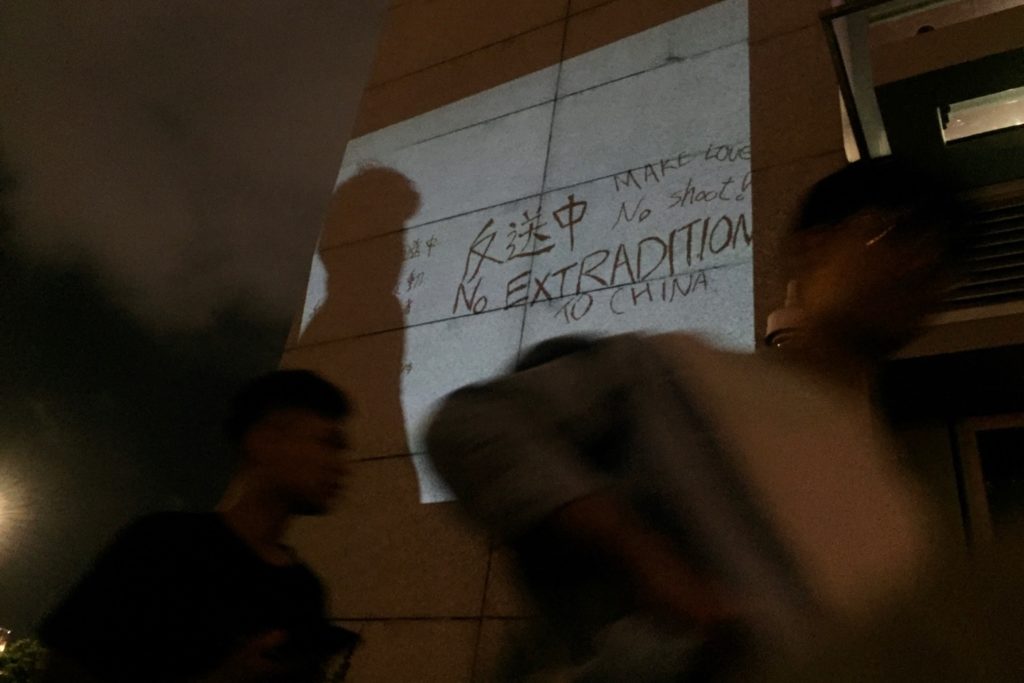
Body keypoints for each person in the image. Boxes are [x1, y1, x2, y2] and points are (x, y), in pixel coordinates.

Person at [426, 157, 968, 681]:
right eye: (894, 230)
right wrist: (644, 556)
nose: (919, 263)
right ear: (813, 246)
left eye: (944, 255)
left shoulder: (904, 512)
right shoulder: (676, 376)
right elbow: (477, 422)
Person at [38, 370, 357, 683]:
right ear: (265, 441)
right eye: (327, 443)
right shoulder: (162, 546)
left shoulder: (304, 590)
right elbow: (64, 671)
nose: (341, 466)